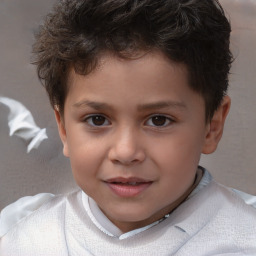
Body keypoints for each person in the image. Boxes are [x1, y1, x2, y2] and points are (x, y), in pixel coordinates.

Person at [0, 0, 256, 255]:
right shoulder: (21, 237)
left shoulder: (245, 238)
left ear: (212, 126)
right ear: (64, 129)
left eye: (159, 120)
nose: (125, 152)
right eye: (97, 120)